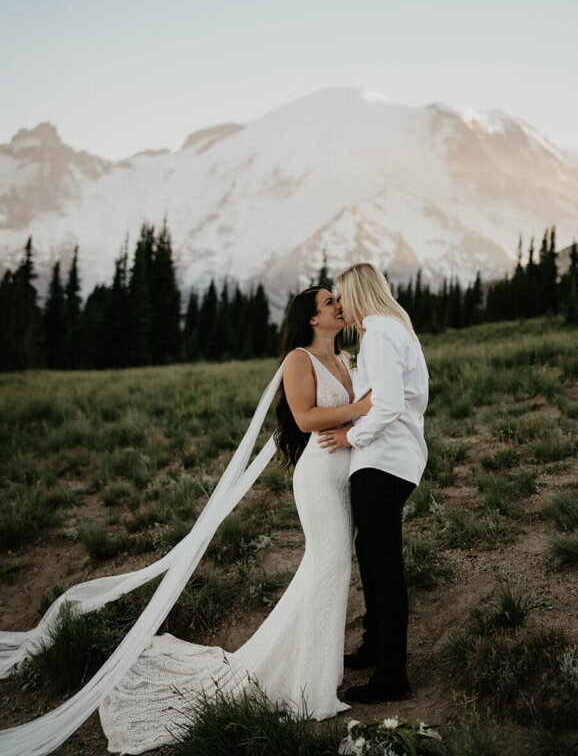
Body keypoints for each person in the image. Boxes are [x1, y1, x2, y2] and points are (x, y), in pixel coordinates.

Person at [96, 285, 371, 752]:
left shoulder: (346, 358)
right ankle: (308, 683)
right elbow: (304, 419)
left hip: (348, 472)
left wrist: (355, 425)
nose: (339, 306)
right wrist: (361, 410)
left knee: (331, 570)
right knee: (328, 567)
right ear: (310, 318)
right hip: (320, 479)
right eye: (329, 302)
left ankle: (309, 668)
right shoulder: (298, 360)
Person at [318, 263, 429, 703]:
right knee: (372, 556)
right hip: (393, 460)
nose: (339, 305)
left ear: (359, 293)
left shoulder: (381, 333)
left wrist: (350, 436)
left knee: (384, 568)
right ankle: (375, 644)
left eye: (342, 296)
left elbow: (386, 406)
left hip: (381, 462)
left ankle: (392, 676)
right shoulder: (391, 330)